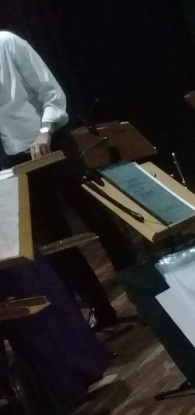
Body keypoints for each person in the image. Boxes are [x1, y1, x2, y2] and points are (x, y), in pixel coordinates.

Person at [0, 30, 133, 328]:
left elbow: (51, 92)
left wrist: (44, 131)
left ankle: (142, 290)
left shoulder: (7, 43)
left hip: (50, 141)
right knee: (54, 241)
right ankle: (100, 308)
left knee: (96, 216)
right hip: (19, 156)